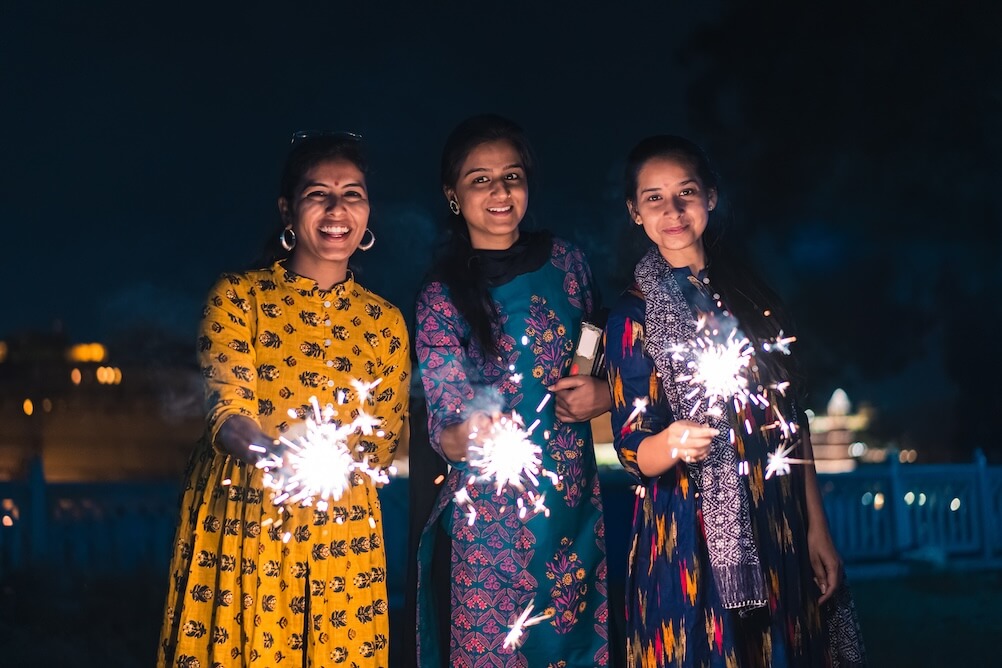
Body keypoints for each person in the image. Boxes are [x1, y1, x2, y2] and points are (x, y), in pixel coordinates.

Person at [605, 135, 865, 667]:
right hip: (688, 531)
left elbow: (792, 421)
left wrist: (817, 526)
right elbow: (633, 449)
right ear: (634, 212)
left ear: (712, 197)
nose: (672, 211)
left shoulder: (753, 300)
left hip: (776, 517)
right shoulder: (632, 317)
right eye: (653, 198)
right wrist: (674, 440)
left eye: (686, 192)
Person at [158, 132, 410, 667]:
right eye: (319, 193)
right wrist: (275, 454)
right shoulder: (238, 297)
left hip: (341, 543)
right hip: (246, 525)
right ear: (288, 210)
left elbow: (379, 449)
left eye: (353, 194)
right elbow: (228, 413)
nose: (337, 209)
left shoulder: (385, 323)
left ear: (368, 212)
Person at [413, 114, 611, 667]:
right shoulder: (442, 296)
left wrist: (604, 393)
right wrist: (469, 433)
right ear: (453, 194)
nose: (500, 192)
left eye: (512, 176)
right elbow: (444, 429)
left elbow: (605, 353)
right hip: (492, 533)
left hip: (575, 518)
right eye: (480, 179)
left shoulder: (570, 262)